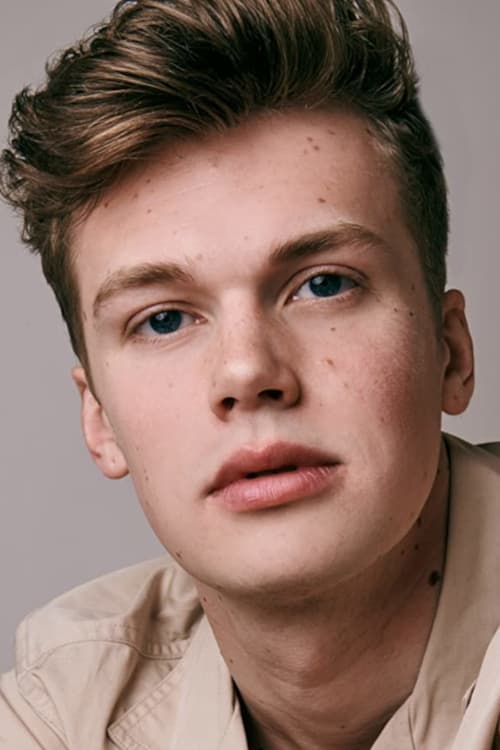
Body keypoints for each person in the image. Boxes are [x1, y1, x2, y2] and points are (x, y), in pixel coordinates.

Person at [0, 0, 498, 747]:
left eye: (323, 284)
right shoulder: (62, 713)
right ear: (99, 420)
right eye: (162, 320)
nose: (246, 371)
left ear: (450, 351)